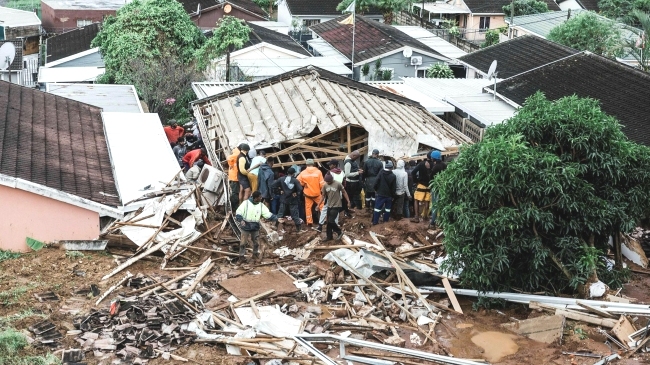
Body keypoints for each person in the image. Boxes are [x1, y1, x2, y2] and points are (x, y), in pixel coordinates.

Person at [234, 191, 278, 264]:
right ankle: (241, 257)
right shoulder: (246, 203)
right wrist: (240, 219)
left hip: (255, 226)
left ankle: (255, 255)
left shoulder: (261, 205)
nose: (261, 198)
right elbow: (239, 212)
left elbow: (267, 214)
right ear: (255, 198)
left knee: (256, 243)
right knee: (243, 243)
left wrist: (276, 218)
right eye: (260, 197)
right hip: (246, 225)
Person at [315, 160, 343, 232]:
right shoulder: (342, 172)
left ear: (334, 165)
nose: (329, 166)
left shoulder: (330, 173)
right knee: (336, 211)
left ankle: (320, 226)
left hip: (330, 193)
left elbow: (326, 183)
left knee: (325, 209)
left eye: (330, 165)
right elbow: (344, 184)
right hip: (338, 193)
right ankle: (335, 226)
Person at [272, 167, 303, 232]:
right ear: (294, 174)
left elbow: (273, 186)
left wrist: (279, 191)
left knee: (280, 214)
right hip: (292, 200)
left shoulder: (281, 179)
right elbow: (300, 189)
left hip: (284, 199)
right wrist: (296, 193)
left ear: (287, 172)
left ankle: (275, 226)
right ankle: (299, 229)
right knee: (295, 215)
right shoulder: (295, 180)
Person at [321, 172, 350, 241]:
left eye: (329, 181)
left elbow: (344, 192)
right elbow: (323, 196)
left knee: (331, 220)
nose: (328, 183)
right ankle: (329, 236)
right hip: (329, 205)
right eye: (327, 181)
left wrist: (348, 201)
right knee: (328, 222)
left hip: (337, 205)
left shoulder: (337, 184)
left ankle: (339, 232)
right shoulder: (325, 185)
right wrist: (319, 204)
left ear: (332, 180)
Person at [297, 159, 324, 228]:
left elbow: (297, 182)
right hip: (317, 193)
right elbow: (322, 184)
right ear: (314, 164)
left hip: (307, 194)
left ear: (306, 165)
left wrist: (304, 184)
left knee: (308, 208)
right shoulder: (318, 172)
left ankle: (309, 222)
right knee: (322, 207)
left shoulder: (303, 173)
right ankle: (324, 220)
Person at [410, 153, 433, 223]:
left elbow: (413, 172)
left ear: (427, 157)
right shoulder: (434, 165)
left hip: (421, 184)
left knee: (416, 200)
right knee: (427, 201)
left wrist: (416, 181)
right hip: (430, 185)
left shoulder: (421, 164)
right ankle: (425, 217)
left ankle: (416, 217)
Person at [372, 161, 396, 225]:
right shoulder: (393, 176)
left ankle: (375, 222)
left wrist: (376, 189)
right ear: (391, 168)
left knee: (377, 208)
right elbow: (393, 188)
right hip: (389, 195)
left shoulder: (381, 173)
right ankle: (385, 221)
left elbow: (376, 182)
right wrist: (393, 196)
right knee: (387, 209)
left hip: (380, 194)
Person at [428, 151, 447, 228]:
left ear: (433, 158)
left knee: (435, 205)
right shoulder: (444, 165)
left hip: (436, 188)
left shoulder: (436, 167)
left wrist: (429, 169)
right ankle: (442, 222)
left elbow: (430, 177)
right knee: (442, 205)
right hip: (443, 187)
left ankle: (433, 223)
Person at [343, 150, 363, 216]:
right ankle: (348, 210)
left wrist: (357, 170)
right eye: (356, 158)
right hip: (351, 183)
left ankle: (353, 209)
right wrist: (357, 173)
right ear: (353, 155)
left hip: (355, 182)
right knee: (351, 197)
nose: (356, 159)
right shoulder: (348, 163)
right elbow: (347, 174)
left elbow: (352, 169)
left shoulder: (352, 161)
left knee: (355, 196)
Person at [227, 145, 241, 211]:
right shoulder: (237, 154)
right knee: (235, 193)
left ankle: (232, 207)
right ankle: (233, 208)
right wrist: (231, 164)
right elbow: (229, 158)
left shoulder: (235, 152)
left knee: (234, 192)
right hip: (235, 177)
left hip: (233, 176)